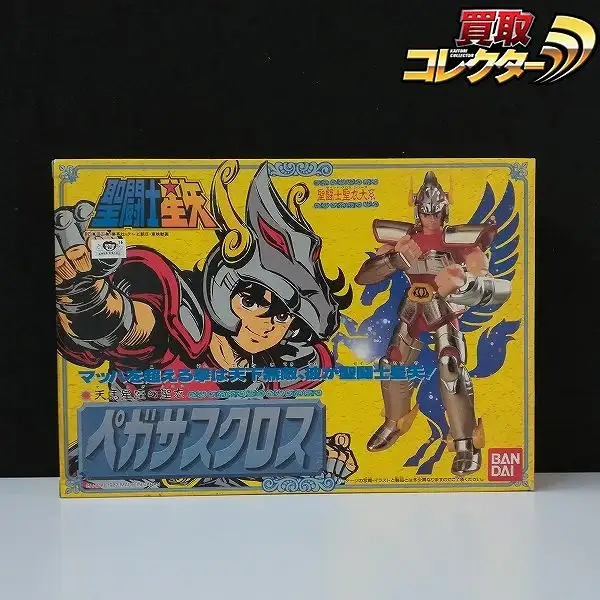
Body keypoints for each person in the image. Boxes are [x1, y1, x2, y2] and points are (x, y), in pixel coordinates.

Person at [55, 159, 356, 486]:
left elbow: (259, 440)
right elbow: (133, 325)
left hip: (213, 480)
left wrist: (315, 453)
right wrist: (85, 297)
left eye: (282, 315)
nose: (265, 323)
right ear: (222, 288)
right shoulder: (181, 325)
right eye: (251, 300)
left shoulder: (275, 367)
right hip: (132, 464)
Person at [355, 171, 511, 476]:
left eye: (435, 212)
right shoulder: (403, 238)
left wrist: (464, 282)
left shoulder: (459, 240)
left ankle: (465, 442)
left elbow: (488, 281)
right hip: (413, 309)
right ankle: (394, 422)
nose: (430, 218)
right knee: (392, 364)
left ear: (444, 210)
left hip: (444, 309)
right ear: (417, 210)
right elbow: (364, 277)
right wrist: (394, 260)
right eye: (425, 212)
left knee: (451, 367)